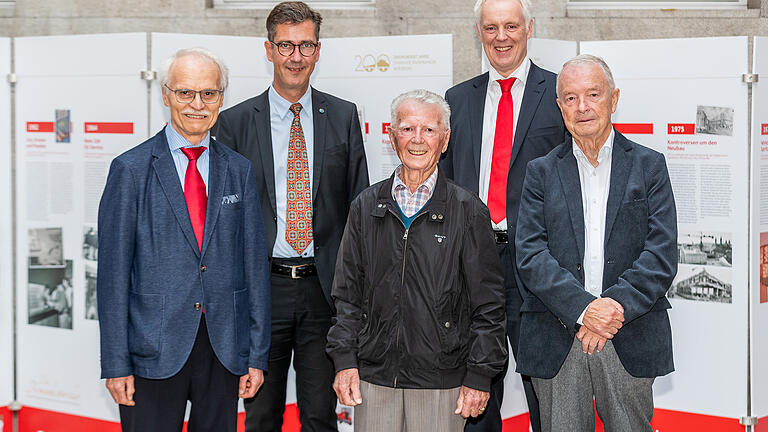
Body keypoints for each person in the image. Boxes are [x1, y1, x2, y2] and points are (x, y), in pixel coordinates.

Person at [213, 2, 369, 431]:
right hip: (263, 293)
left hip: (326, 293)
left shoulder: (342, 115)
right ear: (268, 49)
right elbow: (222, 224)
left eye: (305, 45)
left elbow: (358, 211)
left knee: (321, 416)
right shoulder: (234, 123)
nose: (295, 56)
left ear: (318, 51)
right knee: (261, 414)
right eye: (286, 45)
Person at [97, 47, 270, 432]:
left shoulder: (239, 170)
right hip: (151, 349)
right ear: (165, 94)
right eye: (185, 93)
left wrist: (256, 354)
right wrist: (115, 362)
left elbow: (254, 268)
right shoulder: (130, 170)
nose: (197, 104)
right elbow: (111, 278)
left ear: (221, 98)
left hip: (223, 348)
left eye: (208, 93)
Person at [327, 89, 507, 432]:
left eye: (429, 129)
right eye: (408, 129)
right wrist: (344, 360)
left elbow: (489, 307)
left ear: (445, 139)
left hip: (441, 382)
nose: (418, 139)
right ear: (392, 136)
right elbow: (347, 296)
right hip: (374, 379)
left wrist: (480, 375)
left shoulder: (469, 211)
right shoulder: (365, 206)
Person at [514, 54, 677, 432]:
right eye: (570, 98)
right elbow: (531, 254)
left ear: (614, 99)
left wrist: (611, 309)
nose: (582, 107)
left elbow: (661, 252)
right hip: (558, 334)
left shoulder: (649, 166)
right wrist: (585, 310)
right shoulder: (540, 172)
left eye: (592, 94)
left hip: (627, 332)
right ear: (559, 107)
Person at [440, 0, 568, 430]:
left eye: (510, 26)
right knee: (476, 388)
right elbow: (446, 181)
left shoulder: (557, 95)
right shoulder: (457, 99)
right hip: (472, 260)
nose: (501, 37)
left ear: (529, 28)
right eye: (491, 27)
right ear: (479, 32)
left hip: (536, 263)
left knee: (545, 390)